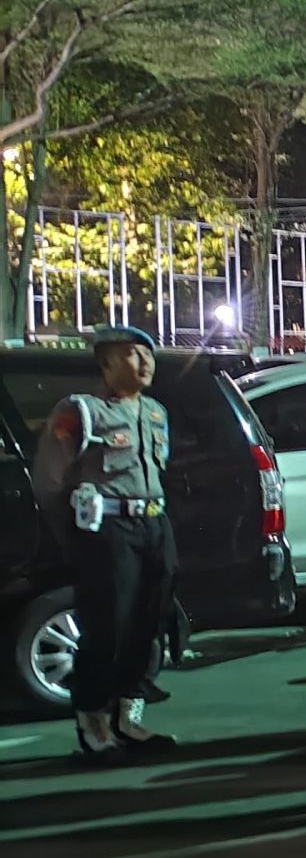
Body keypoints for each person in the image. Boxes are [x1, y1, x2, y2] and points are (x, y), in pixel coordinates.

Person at [33, 324, 180, 760]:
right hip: (108, 529)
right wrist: (73, 537)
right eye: (132, 354)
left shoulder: (155, 411)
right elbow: (49, 482)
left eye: (148, 354)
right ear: (106, 362)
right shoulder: (81, 411)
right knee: (107, 628)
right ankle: (94, 724)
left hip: (153, 524)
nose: (144, 363)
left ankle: (128, 719)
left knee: (150, 623)